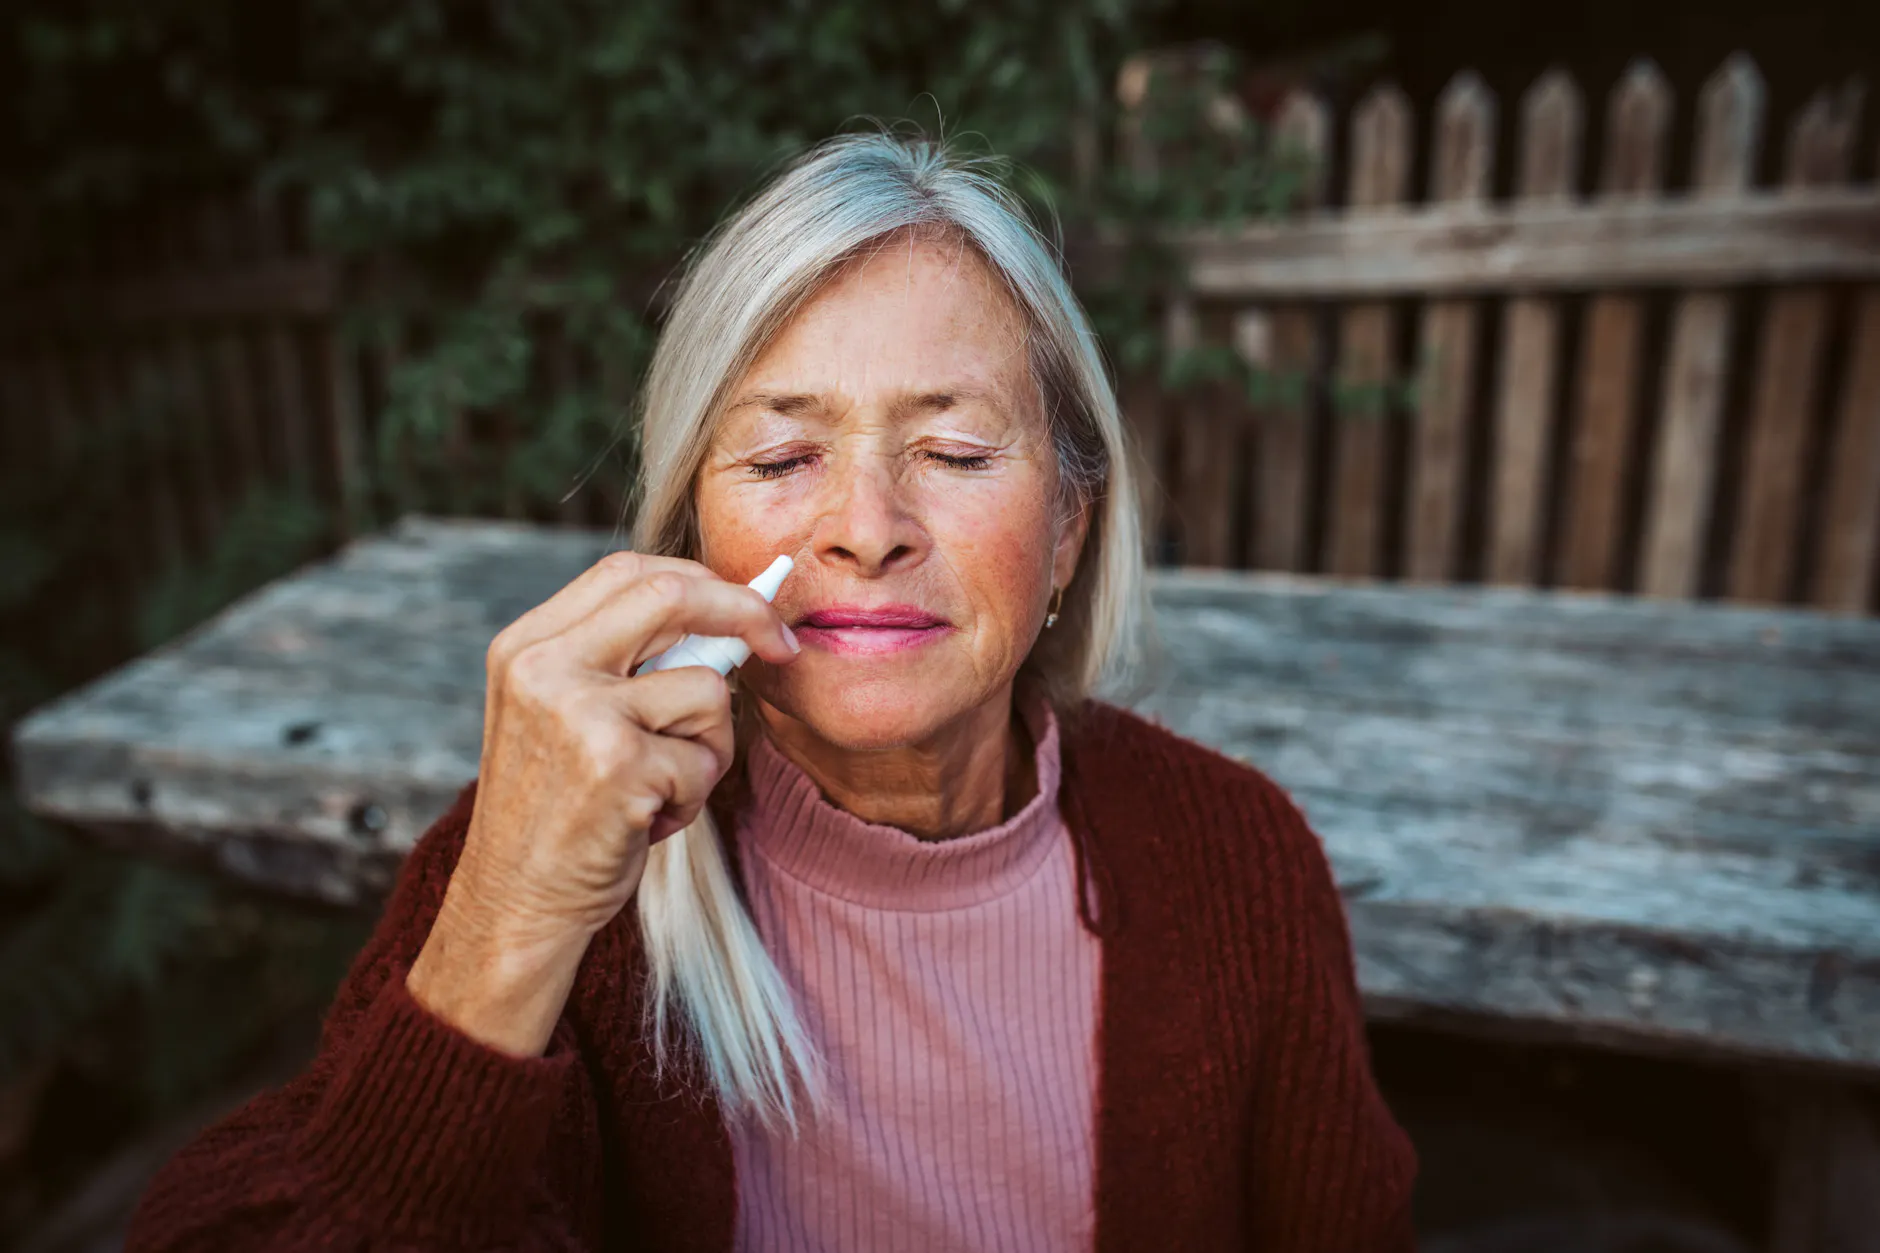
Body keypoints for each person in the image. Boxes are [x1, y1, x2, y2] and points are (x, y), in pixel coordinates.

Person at [125, 132, 1416, 1252]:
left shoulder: (1235, 861)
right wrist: (511, 917)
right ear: (694, 532)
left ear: (1071, 527)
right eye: (784, 455)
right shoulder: (562, 878)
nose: (866, 527)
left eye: (955, 450)